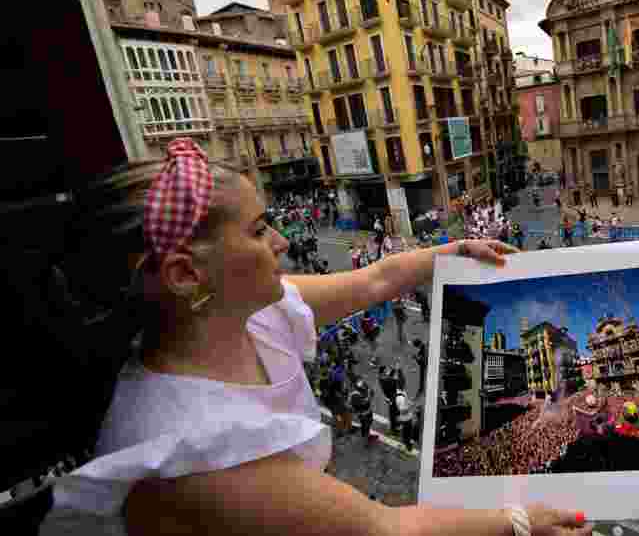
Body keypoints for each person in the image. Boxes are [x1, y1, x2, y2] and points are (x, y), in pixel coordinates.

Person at [38, 139, 589, 536]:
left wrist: (453, 252)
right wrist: (520, 522)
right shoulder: (194, 450)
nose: (280, 241)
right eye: (257, 231)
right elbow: (385, 531)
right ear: (187, 275)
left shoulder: (242, 312)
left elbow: (374, 278)